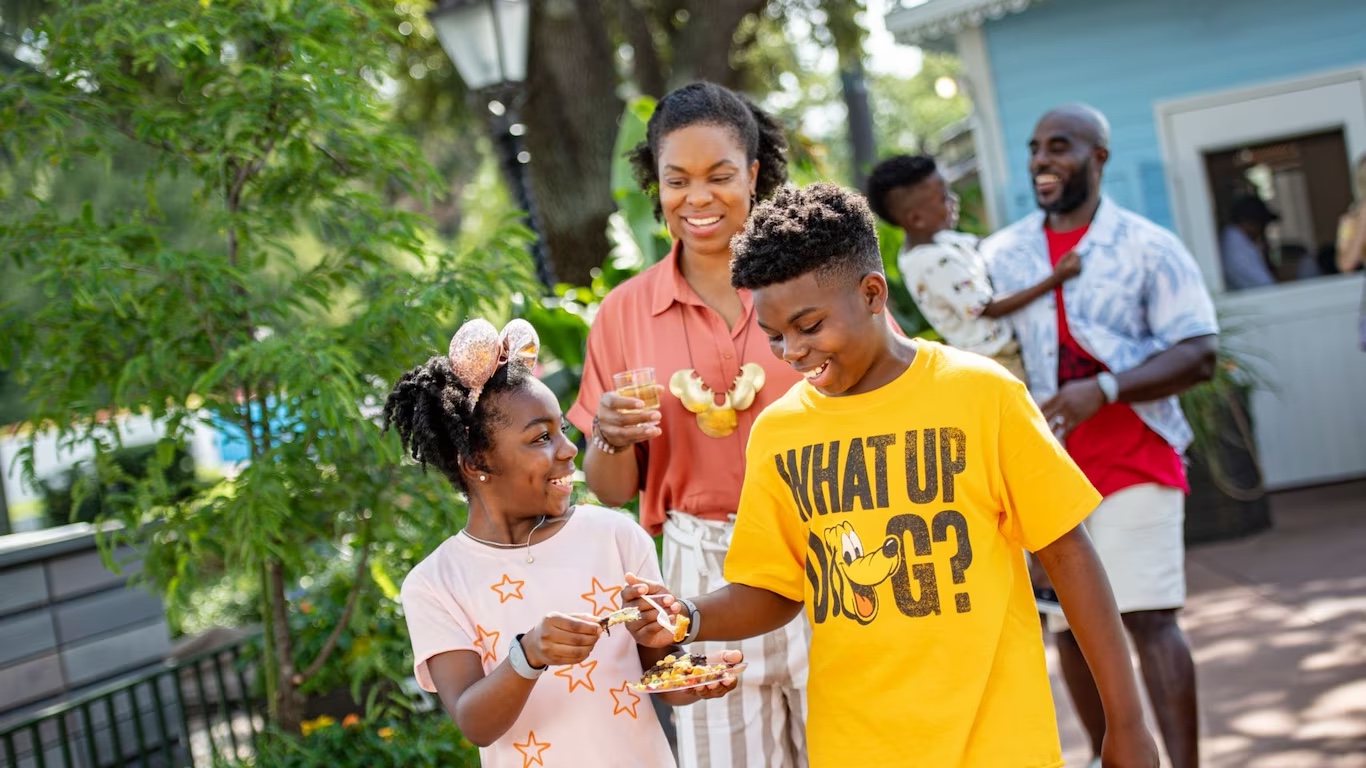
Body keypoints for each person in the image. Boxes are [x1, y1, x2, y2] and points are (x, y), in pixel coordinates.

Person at [623, 182, 1160, 768]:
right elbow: (773, 586)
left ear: (872, 292)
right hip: (855, 747)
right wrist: (687, 616)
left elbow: (1069, 556)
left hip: (998, 741)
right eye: (774, 334)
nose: (792, 352)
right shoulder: (779, 433)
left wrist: (1126, 723)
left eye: (809, 325)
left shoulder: (982, 394)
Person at [567, 81, 810, 768]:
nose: (697, 199)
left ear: (754, 175)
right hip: (701, 569)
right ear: (657, 185)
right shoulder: (621, 313)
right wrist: (611, 435)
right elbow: (612, 489)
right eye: (677, 180)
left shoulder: (815, 279)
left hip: (826, 545)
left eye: (719, 176)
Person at [386, 318, 739, 768]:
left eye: (563, 431)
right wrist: (528, 655)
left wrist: (692, 677)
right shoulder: (435, 584)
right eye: (540, 438)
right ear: (476, 462)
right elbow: (474, 721)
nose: (569, 450)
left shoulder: (614, 536)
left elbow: (659, 668)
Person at [982, 103, 1220, 768]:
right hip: (1040, 472)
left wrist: (1107, 388)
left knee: (1147, 618)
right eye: (1034, 148)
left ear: (1098, 157)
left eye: (1060, 146)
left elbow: (1199, 349)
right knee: (1072, 629)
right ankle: (1109, 759)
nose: (1041, 160)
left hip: (1134, 457)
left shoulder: (1149, 246)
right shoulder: (1001, 255)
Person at [866, 153, 1081, 382]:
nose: (954, 199)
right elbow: (990, 308)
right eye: (943, 198)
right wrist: (1056, 277)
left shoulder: (941, 241)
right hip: (995, 362)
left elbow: (988, 245)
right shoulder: (933, 263)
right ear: (917, 219)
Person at [1219, 194, 1279, 290]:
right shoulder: (1235, 246)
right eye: (1261, 225)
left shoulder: (1239, 242)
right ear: (1248, 223)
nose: (1261, 231)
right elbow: (1264, 286)